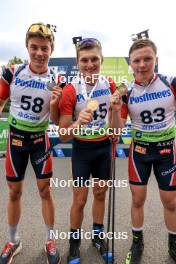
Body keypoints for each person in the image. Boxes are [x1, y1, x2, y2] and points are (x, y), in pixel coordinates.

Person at [50, 37, 123, 264]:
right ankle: (74, 243)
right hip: (81, 149)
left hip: (103, 148)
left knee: (100, 194)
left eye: (94, 59)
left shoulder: (109, 85)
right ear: (78, 62)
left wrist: (117, 113)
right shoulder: (71, 90)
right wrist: (77, 124)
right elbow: (63, 134)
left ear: (101, 59)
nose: (90, 64)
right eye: (84, 60)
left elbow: (116, 131)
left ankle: (98, 238)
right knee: (80, 199)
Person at [0, 22, 62, 264]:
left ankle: (50, 239)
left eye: (44, 48)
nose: (39, 53)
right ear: (27, 48)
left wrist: (55, 106)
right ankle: (13, 241)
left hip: (39, 140)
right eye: (34, 47)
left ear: (51, 50)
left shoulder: (56, 79)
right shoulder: (12, 72)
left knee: (45, 190)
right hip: (15, 139)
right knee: (14, 191)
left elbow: (57, 120)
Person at [121, 39, 176, 263]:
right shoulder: (126, 91)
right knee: (137, 199)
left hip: (167, 151)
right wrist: (116, 110)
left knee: (171, 201)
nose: (142, 64)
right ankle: (137, 242)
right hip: (140, 152)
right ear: (130, 64)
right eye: (137, 60)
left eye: (147, 59)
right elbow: (115, 129)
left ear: (156, 60)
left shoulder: (171, 83)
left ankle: (173, 243)